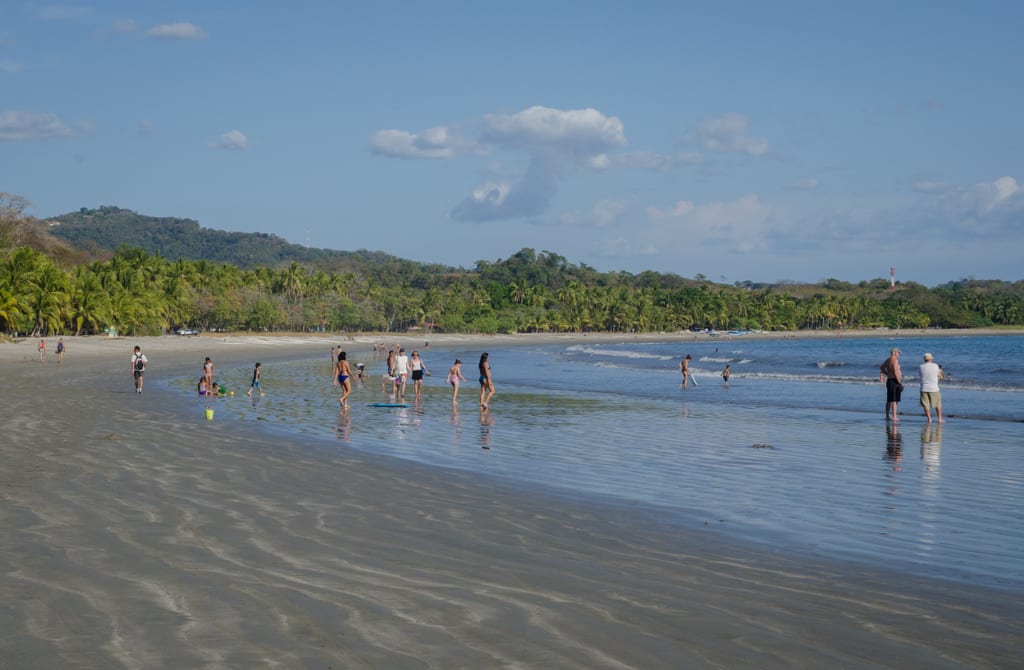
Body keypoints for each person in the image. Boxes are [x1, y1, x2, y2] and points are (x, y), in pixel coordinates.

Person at [918, 352, 944, 424]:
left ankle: (929, 418)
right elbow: (940, 376)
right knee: (937, 404)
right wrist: (941, 372)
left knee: (926, 405)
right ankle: (939, 418)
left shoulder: (921, 366)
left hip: (924, 387)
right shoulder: (935, 366)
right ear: (931, 359)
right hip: (934, 387)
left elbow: (920, 376)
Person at [879, 347, 903, 422]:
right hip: (894, 381)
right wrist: (900, 382)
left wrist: (887, 373)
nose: (899, 354)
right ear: (895, 352)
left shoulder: (888, 359)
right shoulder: (894, 360)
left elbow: (881, 367)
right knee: (895, 400)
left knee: (889, 399)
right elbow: (896, 372)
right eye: (898, 353)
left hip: (889, 380)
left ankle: (887, 416)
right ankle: (894, 416)